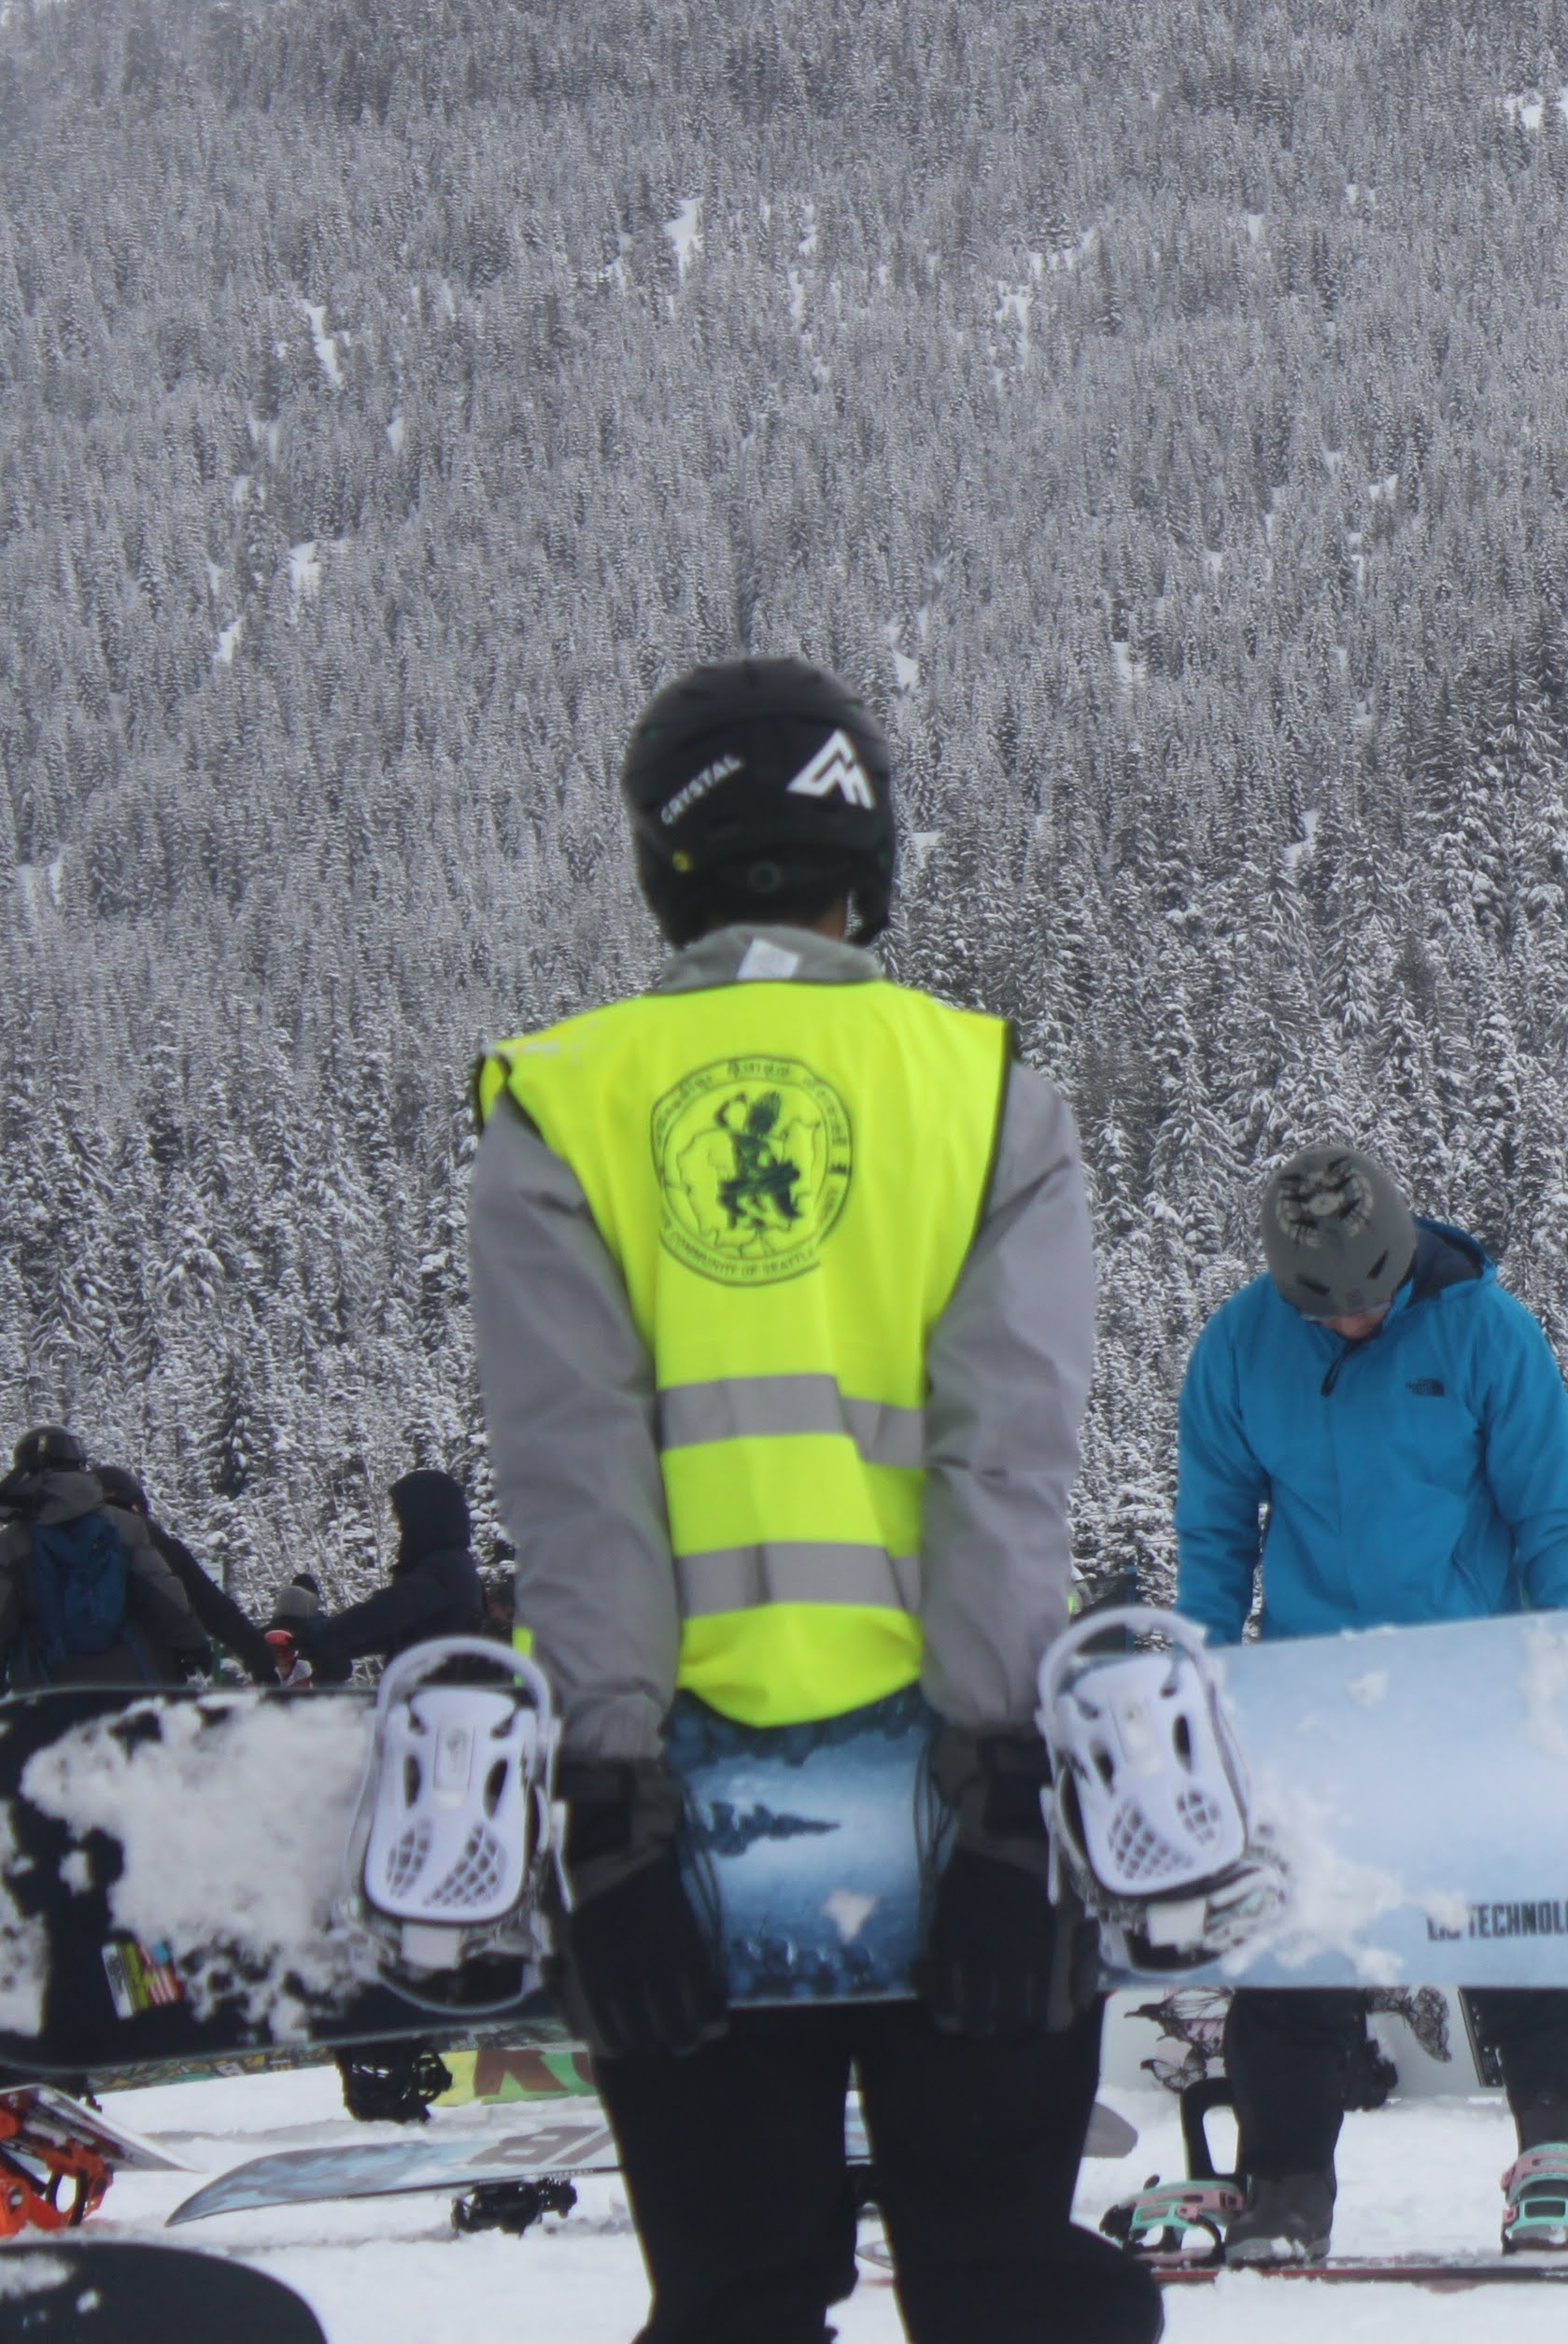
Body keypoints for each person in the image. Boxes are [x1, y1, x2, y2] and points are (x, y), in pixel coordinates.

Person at [470, 657, 1156, 2344]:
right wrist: (1007, 1778)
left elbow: (585, 1483)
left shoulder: (563, 1098)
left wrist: (606, 1799)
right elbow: (1003, 1463)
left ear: (664, 863)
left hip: (689, 1829)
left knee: (736, 2296)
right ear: (873, 850)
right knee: (1005, 2288)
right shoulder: (984, 1086)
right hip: (955, 1805)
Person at [1178, 1138, 1568, 2266]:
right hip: (1314, 1697)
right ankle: (1286, 2184)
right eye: (1324, 1311)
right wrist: (1197, 1682)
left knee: (1522, 1928)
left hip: (1469, 1690)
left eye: (1370, 1302)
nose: (1351, 1324)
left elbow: (1548, 1521)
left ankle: (1561, 2167)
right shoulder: (1241, 1347)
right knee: (1294, 1952)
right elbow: (1213, 1533)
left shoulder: (1489, 1332)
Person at [0, 1430, 208, 1687]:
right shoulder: (125, 1526)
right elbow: (162, 1591)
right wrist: (193, 1644)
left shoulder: (12, 1542)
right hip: (132, 1680)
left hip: (47, 1691)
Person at [283, 1468, 496, 1683]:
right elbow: (393, 1631)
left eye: (404, 1518)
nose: (401, 1528)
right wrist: (321, 1645)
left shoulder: (445, 1570)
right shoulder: (453, 1566)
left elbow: (388, 1611)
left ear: (426, 1517)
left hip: (435, 1701)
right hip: (431, 1695)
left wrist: (321, 1639)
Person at [87, 1464, 275, 1678]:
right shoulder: (150, 1540)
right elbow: (212, 1607)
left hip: (65, 1682)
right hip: (145, 1677)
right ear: (136, 1505)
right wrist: (262, 1660)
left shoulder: (59, 1542)